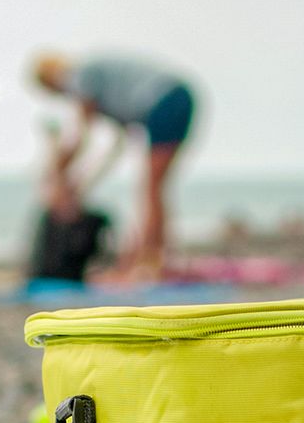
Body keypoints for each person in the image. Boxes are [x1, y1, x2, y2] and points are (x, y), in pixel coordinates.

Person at [32, 52, 197, 277]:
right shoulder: (103, 87)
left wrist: (59, 173)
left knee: (152, 187)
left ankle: (151, 262)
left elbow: (80, 139)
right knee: (155, 187)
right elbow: (116, 146)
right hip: (175, 97)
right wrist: (84, 184)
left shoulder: (81, 77)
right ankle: (156, 258)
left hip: (166, 100)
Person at [28, 120, 113, 282]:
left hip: (72, 280)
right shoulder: (54, 205)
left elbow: (93, 171)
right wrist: (53, 143)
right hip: (49, 279)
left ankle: (77, 134)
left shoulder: (87, 216)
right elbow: (54, 173)